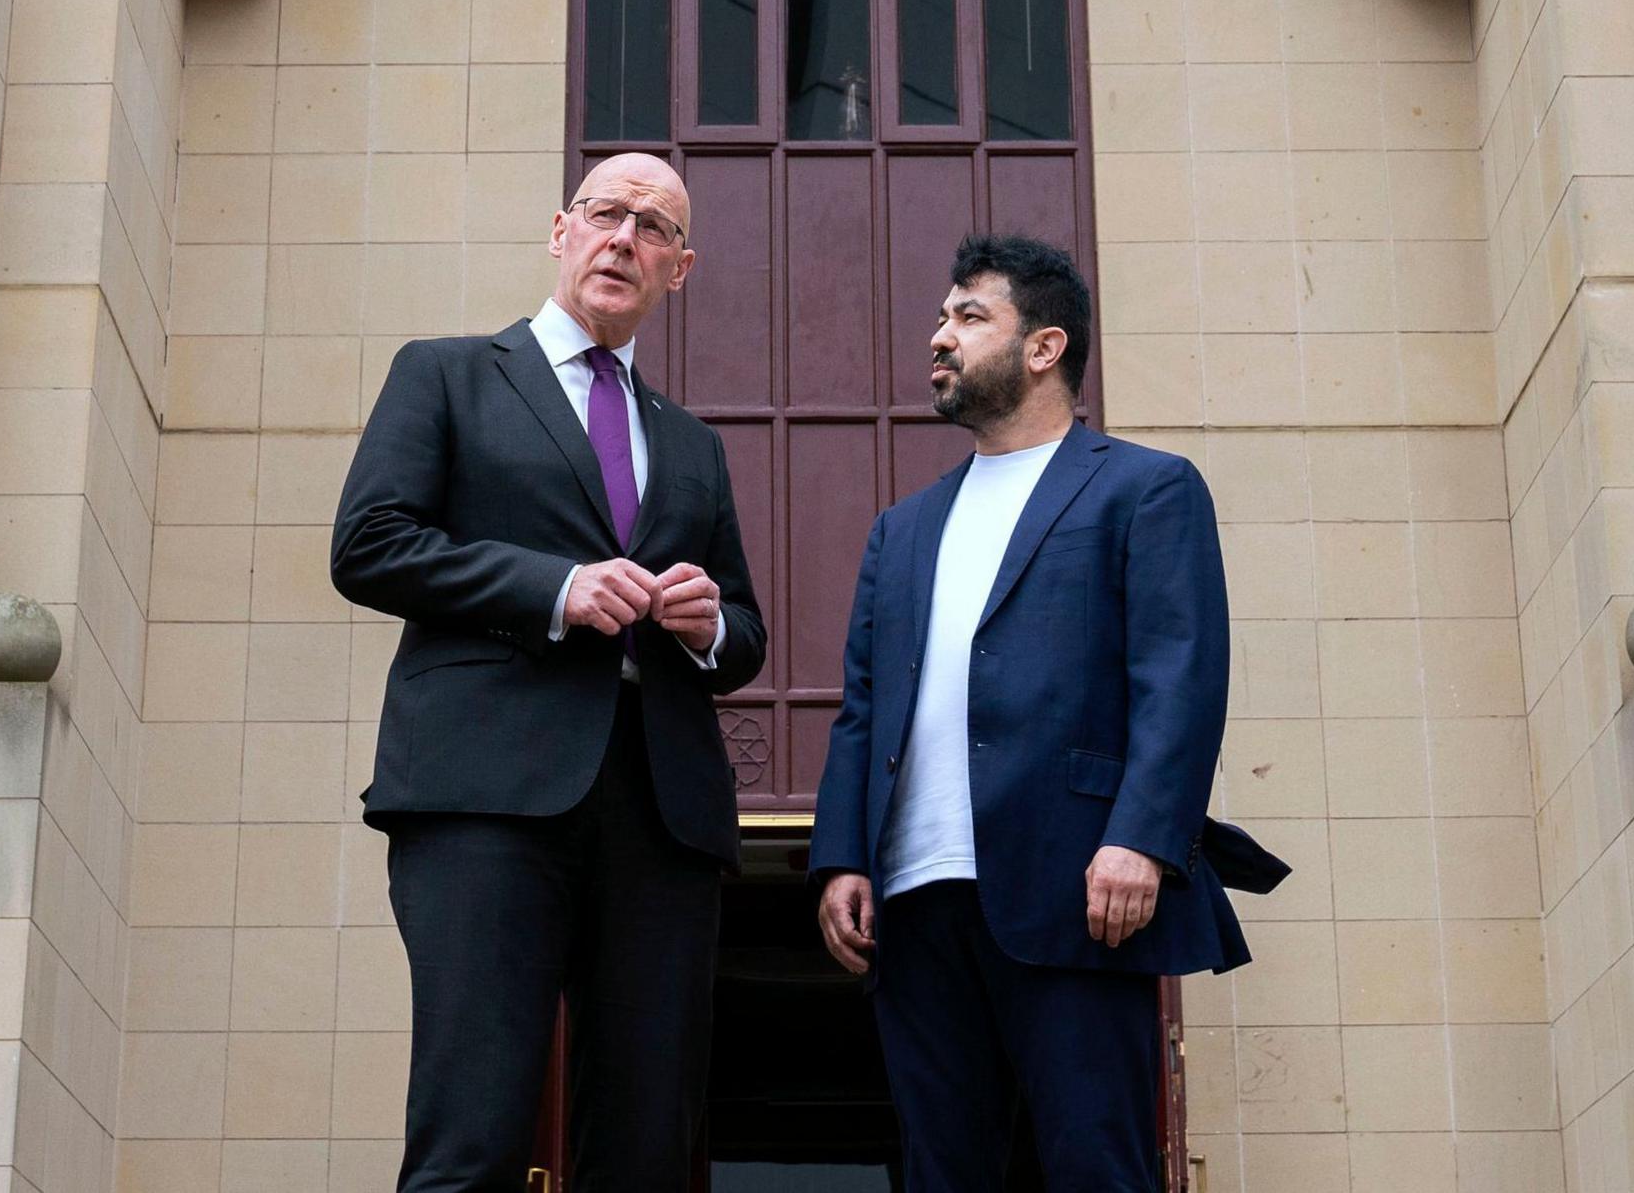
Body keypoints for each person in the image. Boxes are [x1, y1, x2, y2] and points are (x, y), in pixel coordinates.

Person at [331, 152, 767, 1192]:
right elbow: (370, 543)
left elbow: (743, 628)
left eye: (652, 227)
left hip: (658, 811)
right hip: (484, 793)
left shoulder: (693, 444)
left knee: (648, 1141)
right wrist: (553, 588)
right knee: (472, 1129)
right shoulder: (443, 372)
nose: (625, 237)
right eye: (606, 213)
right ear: (561, 232)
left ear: (680, 268)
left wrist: (706, 627)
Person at [808, 234, 1281, 1191]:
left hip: (1078, 884)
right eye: (943, 317)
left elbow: (1180, 677)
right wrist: (842, 854)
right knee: (943, 1171)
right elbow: (863, 706)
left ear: (1044, 346)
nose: (939, 337)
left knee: (1095, 1165)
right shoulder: (902, 529)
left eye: (967, 316)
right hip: (915, 898)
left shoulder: (1145, 487)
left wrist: (1143, 838)